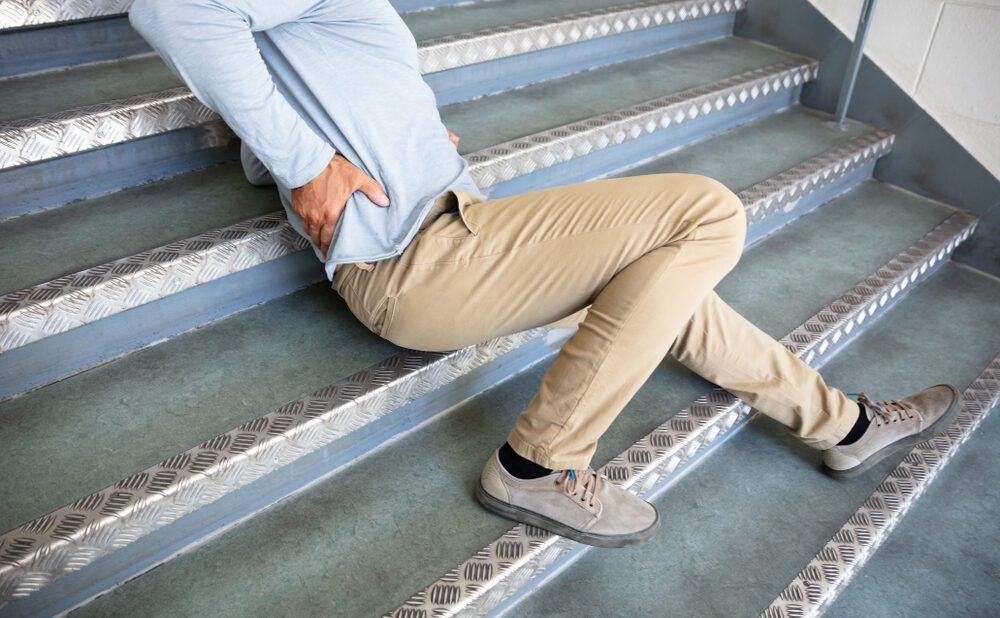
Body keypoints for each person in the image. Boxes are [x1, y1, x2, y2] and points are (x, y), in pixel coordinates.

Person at [129, 0, 960, 548]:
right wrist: (307, 164)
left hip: (454, 233)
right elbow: (172, 10)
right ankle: (539, 463)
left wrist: (408, 136)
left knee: (665, 278)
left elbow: (277, 108)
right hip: (420, 257)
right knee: (706, 214)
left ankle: (846, 426)